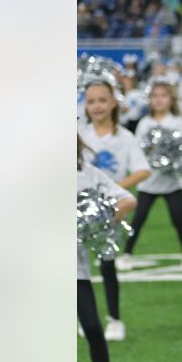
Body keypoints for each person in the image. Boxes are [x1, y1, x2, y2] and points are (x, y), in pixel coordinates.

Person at [78, 74, 151, 341]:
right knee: (76, 267)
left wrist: (113, 188)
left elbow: (143, 169)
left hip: (111, 210)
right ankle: (85, 317)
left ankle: (114, 319)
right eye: (91, 101)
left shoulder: (125, 137)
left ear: (113, 104)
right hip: (79, 213)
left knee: (107, 264)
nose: (96, 106)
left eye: (102, 100)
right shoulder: (79, 134)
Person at [77, 136, 140, 362]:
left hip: (73, 269)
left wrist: (96, 221)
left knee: (92, 326)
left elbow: (128, 199)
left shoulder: (87, 173)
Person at [123, 77, 182, 267]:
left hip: (173, 183)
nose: (159, 100)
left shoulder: (178, 123)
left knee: (178, 219)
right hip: (148, 182)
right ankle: (127, 255)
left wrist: (174, 163)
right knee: (138, 220)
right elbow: (136, 150)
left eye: (163, 96)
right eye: (155, 96)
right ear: (150, 100)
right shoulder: (144, 123)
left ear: (171, 99)